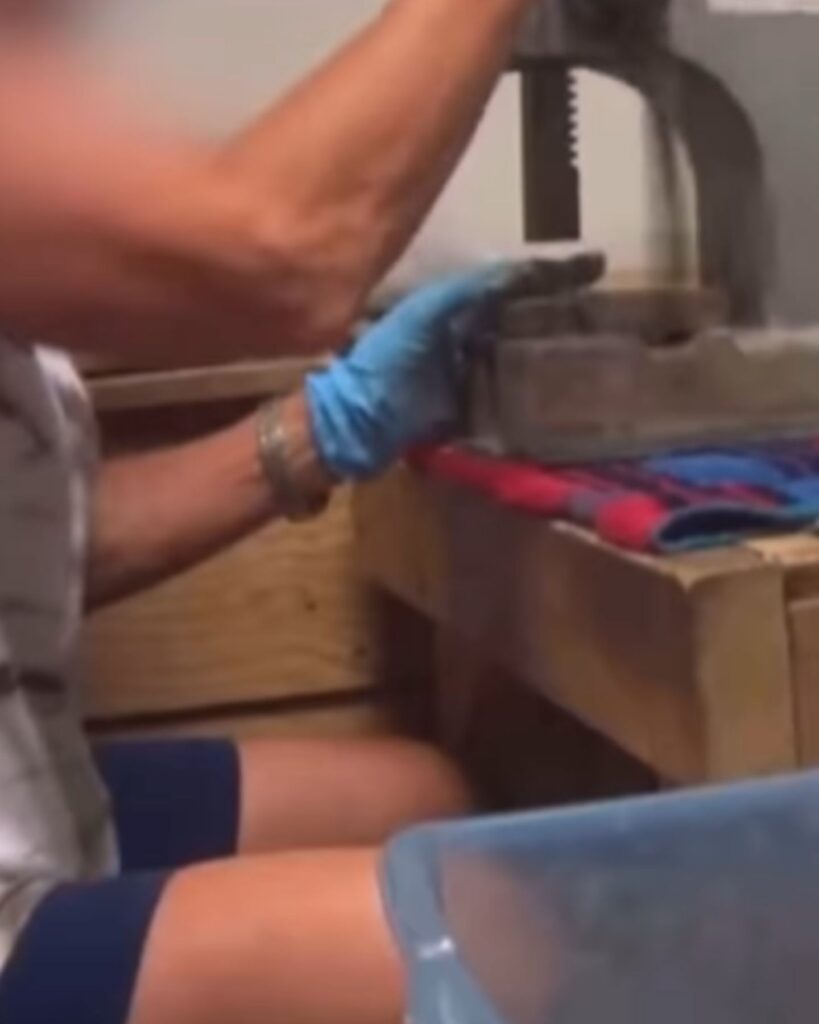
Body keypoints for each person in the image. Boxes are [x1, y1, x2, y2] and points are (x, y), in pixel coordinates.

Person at [0, 2, 552, 1023]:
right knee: (486, 932)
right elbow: (289, 247)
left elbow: (38, 552)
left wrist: (322, 427)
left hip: (28, 795)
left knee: (423, 802)